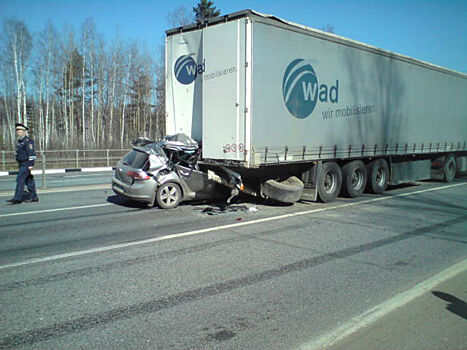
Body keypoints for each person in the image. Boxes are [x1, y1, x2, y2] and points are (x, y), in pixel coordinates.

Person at [7, 123, 39, 204]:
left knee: (20, 180)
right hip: (22, 163)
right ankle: (34, 196)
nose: (17, 132)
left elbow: (31, 154)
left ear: (24, 132)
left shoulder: (28, 141)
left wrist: (31, 164)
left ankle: (17, 198)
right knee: (29, 181)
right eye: (17, 131)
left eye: (19, 130)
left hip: (26, 164)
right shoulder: (20, 142)